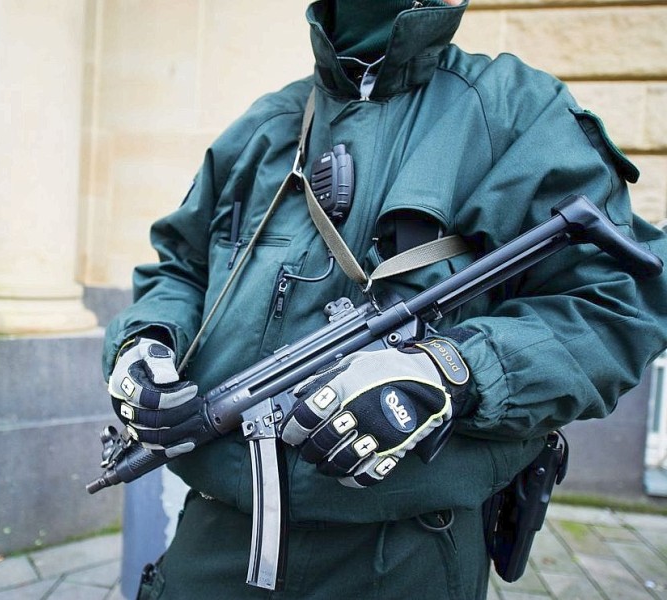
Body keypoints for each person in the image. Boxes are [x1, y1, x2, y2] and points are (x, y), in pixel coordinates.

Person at [103, 1, 667, 598]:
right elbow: (182, 267)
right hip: (218, 536)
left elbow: (619, 298)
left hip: (405, 551)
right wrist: (146, 342)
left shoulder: (515, 112)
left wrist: (453, 370)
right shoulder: (265, 128)